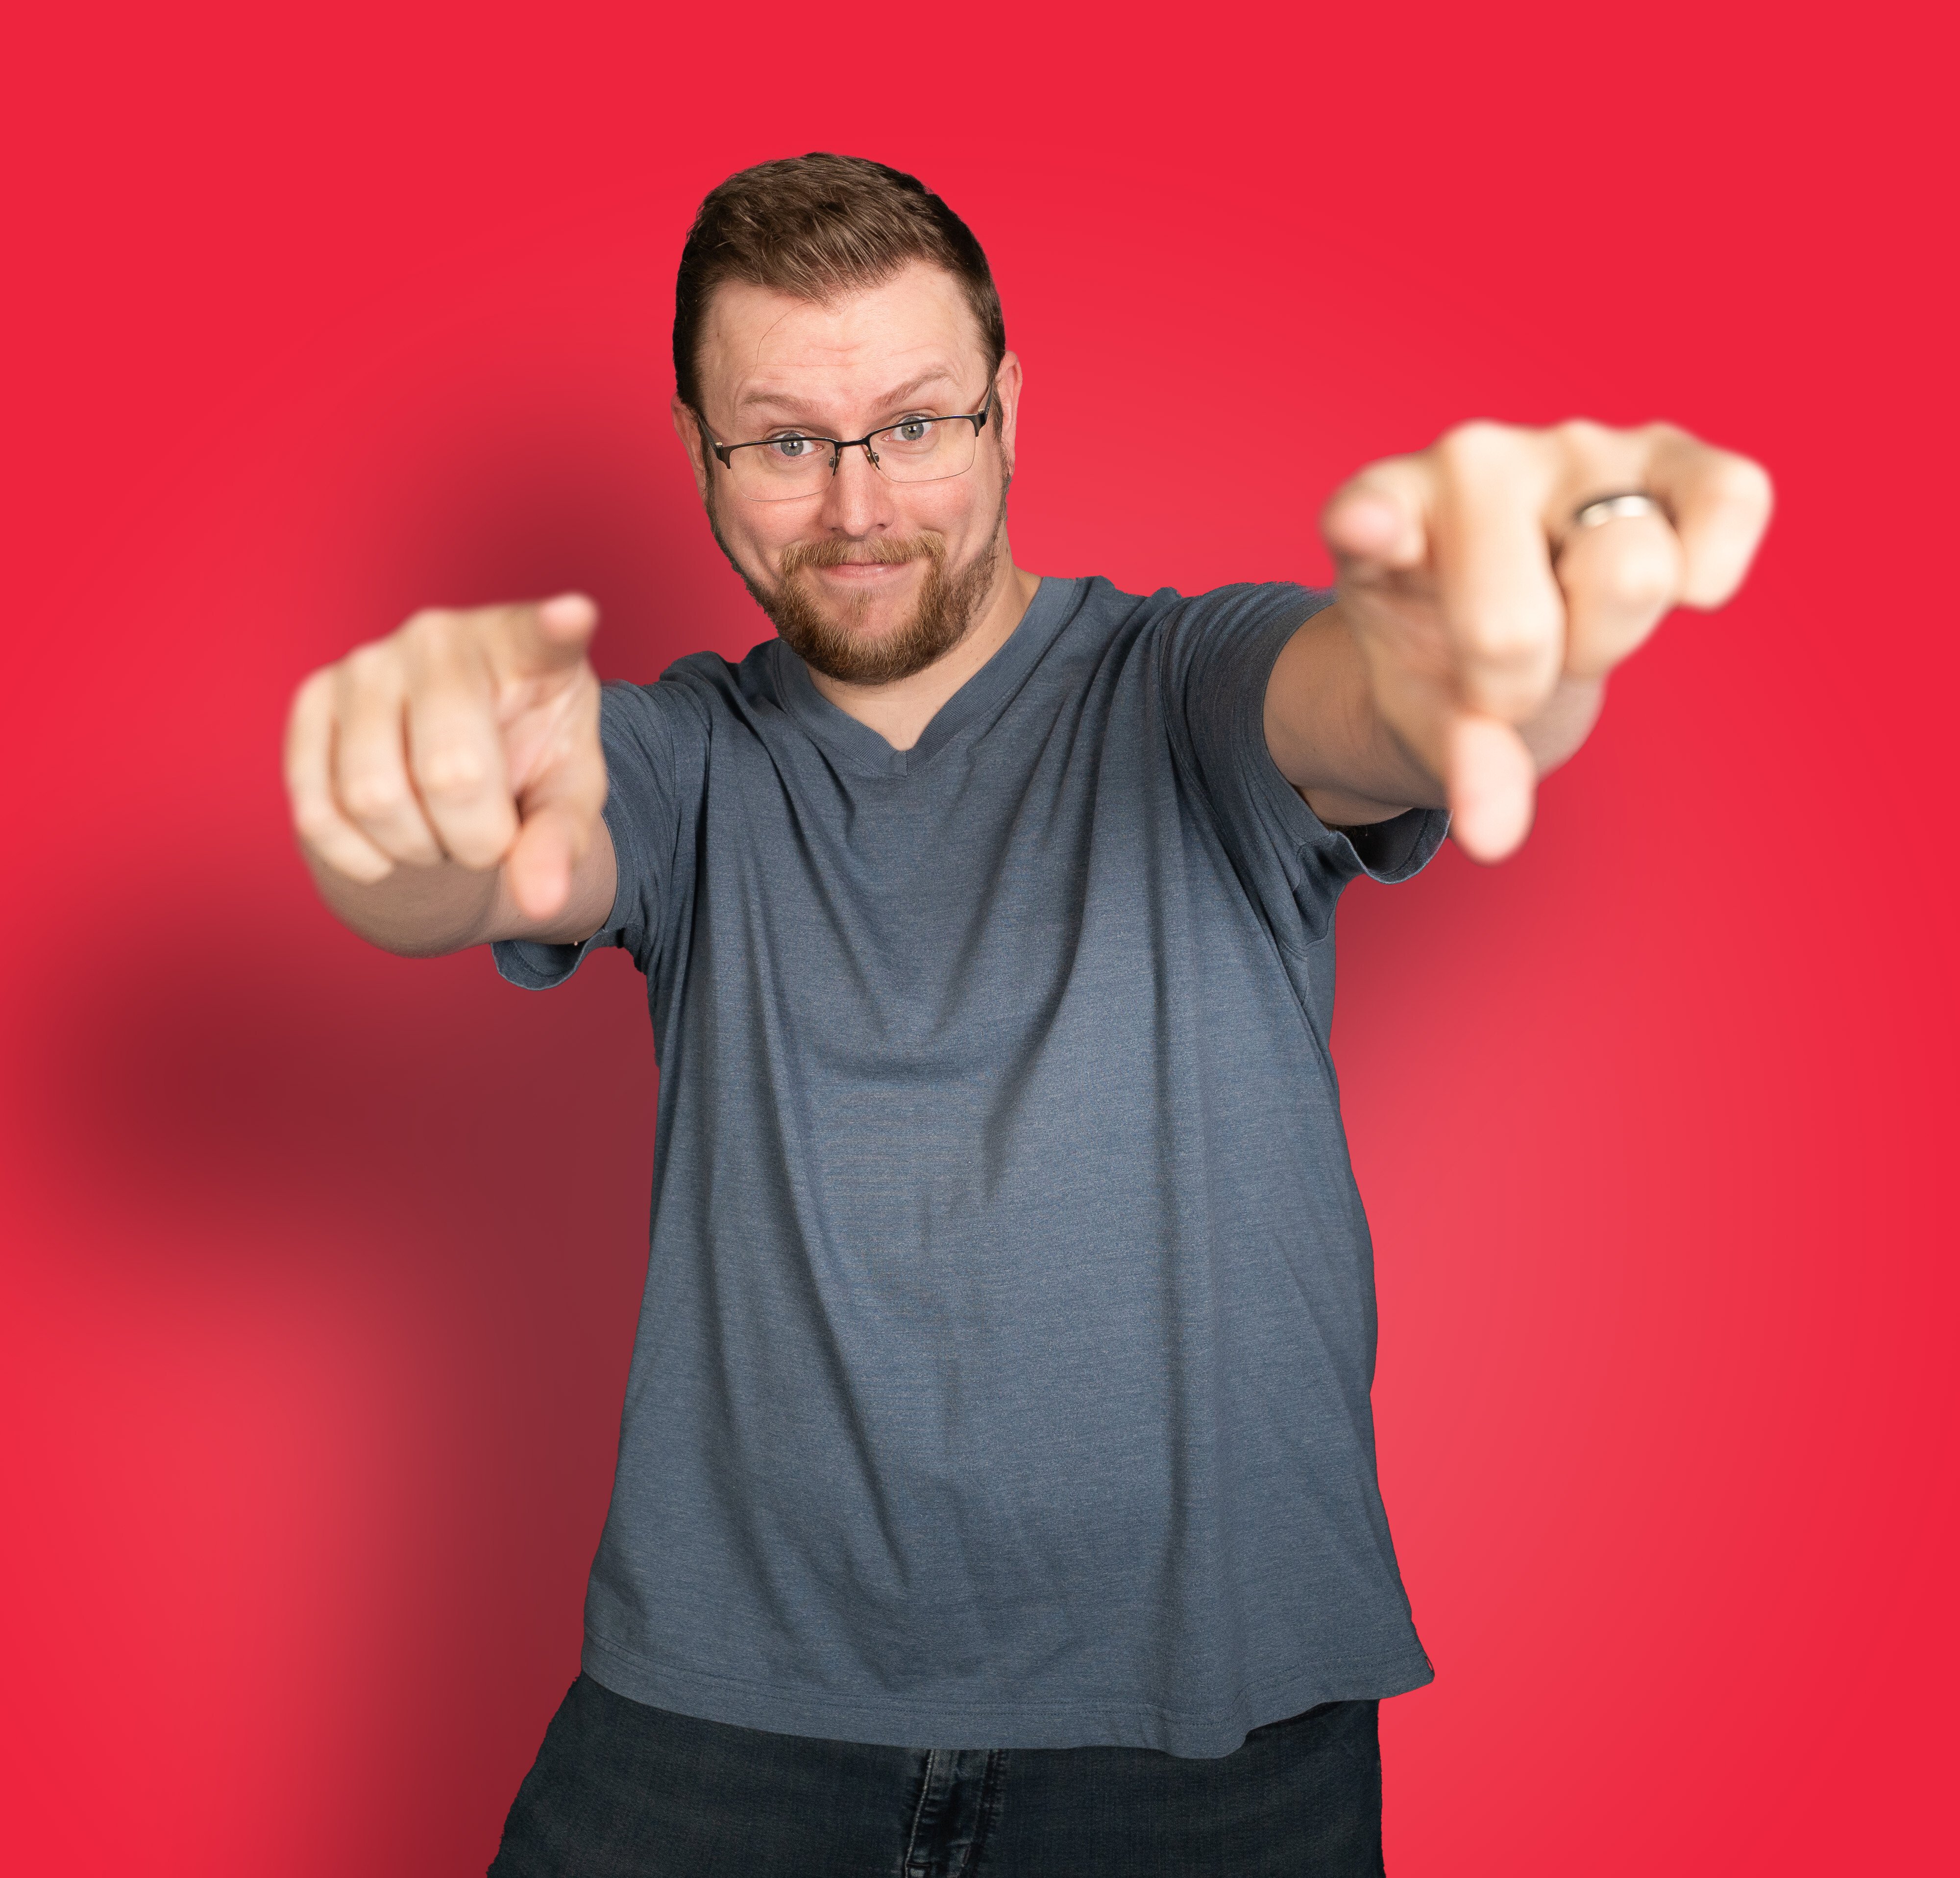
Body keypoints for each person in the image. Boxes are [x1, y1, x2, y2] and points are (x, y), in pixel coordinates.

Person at [283, 154, 1772, 1877]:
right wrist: (401, 825)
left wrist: (1477, 656)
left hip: (1206, 1730)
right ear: (696, 453)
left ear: (1009, 409)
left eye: (916, 425)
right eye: (784, 443)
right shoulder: (680, 759)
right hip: (729, 1717)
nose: (856, 505)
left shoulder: (1191, 685)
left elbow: (1367, 702)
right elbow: (495, 863)